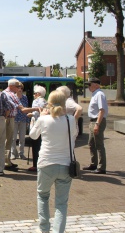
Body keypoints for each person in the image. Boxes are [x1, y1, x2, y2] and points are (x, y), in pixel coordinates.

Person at [29, 90, 78, 233]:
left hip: (46, 163)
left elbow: (32, 135)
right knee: (61, 204)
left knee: (43, 196)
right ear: (64, 103)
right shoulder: (70, 119)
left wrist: (38, 118)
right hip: (65, 164)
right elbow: (74, 135)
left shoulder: (43, 119)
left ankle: (44, 229)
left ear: (48, 103)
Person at [2, 79, 35, 169]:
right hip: (10, 119)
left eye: (20, 87)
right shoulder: (10, 94)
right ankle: (6, 162)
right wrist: (36, 108)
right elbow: (22, 109)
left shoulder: (6, 93)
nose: (19, 88)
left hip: (10, 119)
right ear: (12, 86)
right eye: (17, 86)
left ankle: (7, 161)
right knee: (8, 140)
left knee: (9, 140)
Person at [83, 78, 108, 174]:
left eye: (90, 84)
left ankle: (102, 167)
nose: (88, 87)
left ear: (97, 85)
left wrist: (97, 124)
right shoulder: (95, 94)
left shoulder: (99, 95)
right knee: (91, 143)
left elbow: (102, 110)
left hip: (97, 121)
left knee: (99, 144)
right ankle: (94, 164)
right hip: (93, 121)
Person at [27, 85, 47, 172]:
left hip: (37, 125)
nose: (34, 95)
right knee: (39, 145)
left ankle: (36, 164)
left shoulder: (38, 101)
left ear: (38, 94)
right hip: (40, 125)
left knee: (36, 145)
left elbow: (39, 111)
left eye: (35, 93)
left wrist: (32, 114)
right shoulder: (44, 101)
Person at [11, 81, 30, 160]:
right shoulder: (12, 97)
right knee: (13, 138)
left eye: (21, 88)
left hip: (23, 119)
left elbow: (26, 109)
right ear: (15, 89)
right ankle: (13, 153)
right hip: (14, 120)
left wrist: (27, 120)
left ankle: (21, 153)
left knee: (22, 138)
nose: (20, 89)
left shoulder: (25, 98)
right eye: (18, 88)